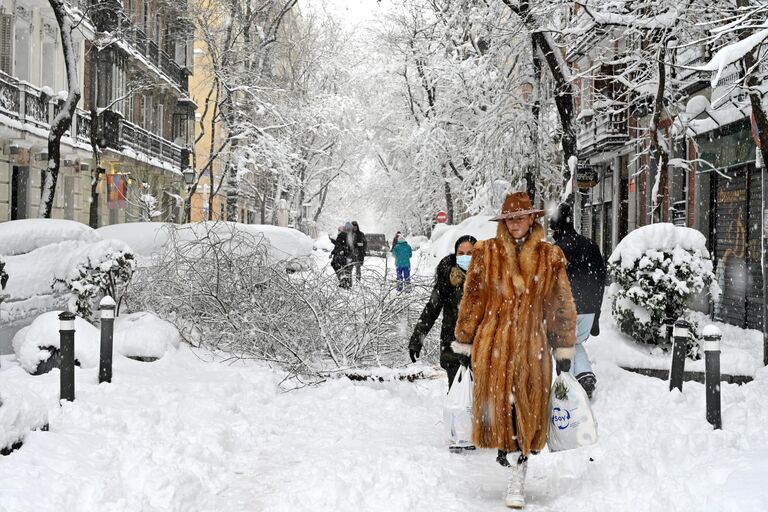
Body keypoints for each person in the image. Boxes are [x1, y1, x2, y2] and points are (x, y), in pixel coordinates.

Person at [452, 192, 576, 509]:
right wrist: (464, 340)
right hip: (492, 346)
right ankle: (507, 453)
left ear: (533, 218)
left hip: (532, 347)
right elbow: (472, 300)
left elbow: (560, 305)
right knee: (499, 410)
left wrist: (563, 347)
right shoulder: (486, 253)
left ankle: (518, 473)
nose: (516, 223)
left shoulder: (550, 256)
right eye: (510, 218)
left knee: (526, 410)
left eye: (521, 217)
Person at [549, 203, 606, 399]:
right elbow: (600, 279)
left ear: (555, 228)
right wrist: (596, 312)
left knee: (563, 345)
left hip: (566, 309)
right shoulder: (590, 245)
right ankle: (584, 375)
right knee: (574, 342)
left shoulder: (556, 250)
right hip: (589, 308)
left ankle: (565, 385)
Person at [409, 235, 477, 389]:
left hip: (481, 349)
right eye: (461, 253)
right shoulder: (447, 278)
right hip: (452, 346)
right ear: (455, 254)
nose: (465, 257)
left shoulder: (487, 277)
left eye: (470, 253)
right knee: (457, 396)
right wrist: (416, 340)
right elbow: (431, 309)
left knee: (481, 401)